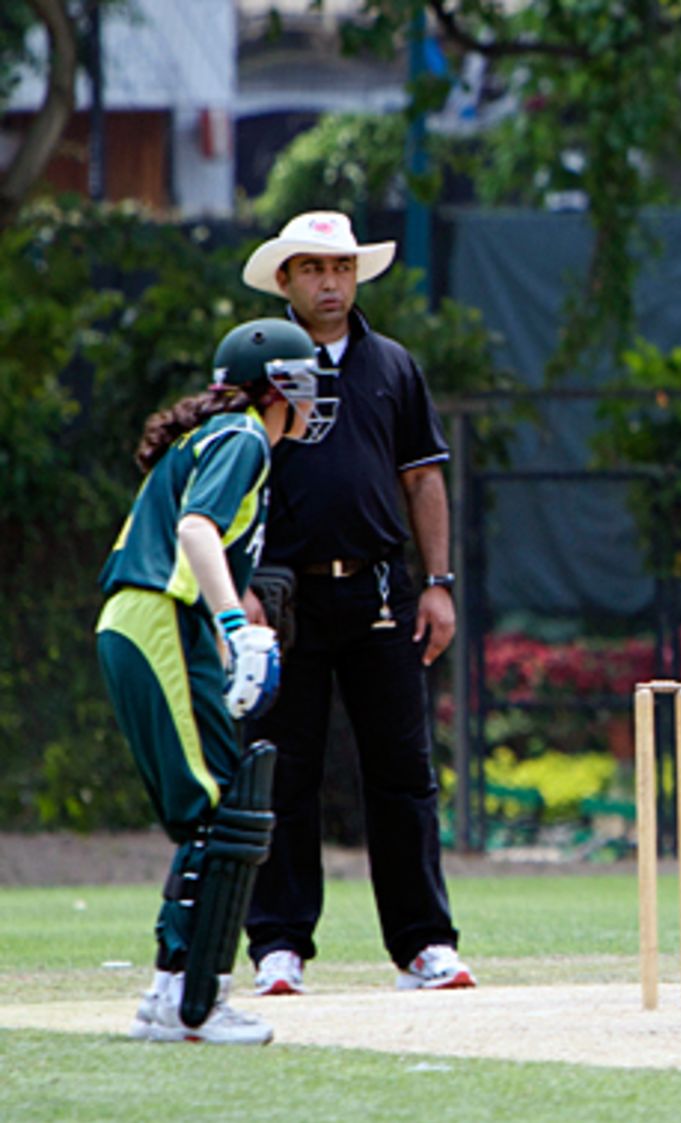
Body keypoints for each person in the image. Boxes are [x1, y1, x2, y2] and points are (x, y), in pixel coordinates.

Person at [238, 211, 475, 993]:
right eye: (312, 269)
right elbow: (227, 483)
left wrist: (438, 585)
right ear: (286, 281)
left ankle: (422, 944)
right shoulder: (254, 367)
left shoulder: (393, 366)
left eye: (340, 267)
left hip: (380, 588)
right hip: (282, 598)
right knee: (281, 774)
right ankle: (278, 945)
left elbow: (423, 477)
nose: (330, 283)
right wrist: (241, 588)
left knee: (403, 772)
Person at [96, 318, 322, 1042]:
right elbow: (196, 529)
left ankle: (173, 991)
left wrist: (220, 632)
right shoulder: (245, 436)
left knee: (216, 805)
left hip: (153, 620)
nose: (318, 398)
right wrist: (234, 625)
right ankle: (192, 1001)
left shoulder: (219, 434)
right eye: (307, 382)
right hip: (160, 615)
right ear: (277, 387)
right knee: (220, 810)